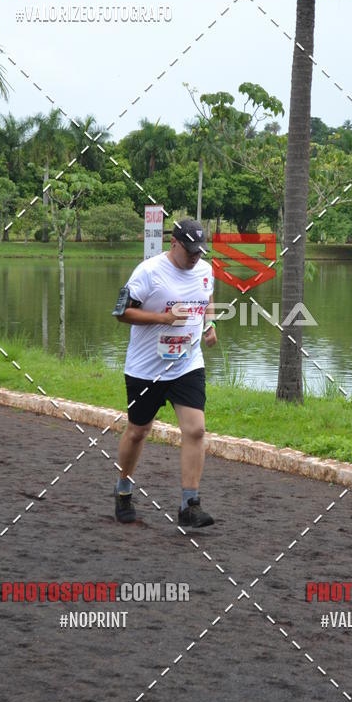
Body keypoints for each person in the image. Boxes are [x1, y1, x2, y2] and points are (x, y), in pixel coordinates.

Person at [112, 218, 217, 528]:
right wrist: (163, 318)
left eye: (200, 251)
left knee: (196, 429)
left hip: (187, 364)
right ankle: (123, 490)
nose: (196, 257)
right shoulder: (148, 272)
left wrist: (210, 325)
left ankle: (189, 504)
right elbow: (121, 312)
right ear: (173, 243)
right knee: (138, 431)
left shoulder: (205, 270)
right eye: (190, 251)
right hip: (147, 369)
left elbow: (206, 299)